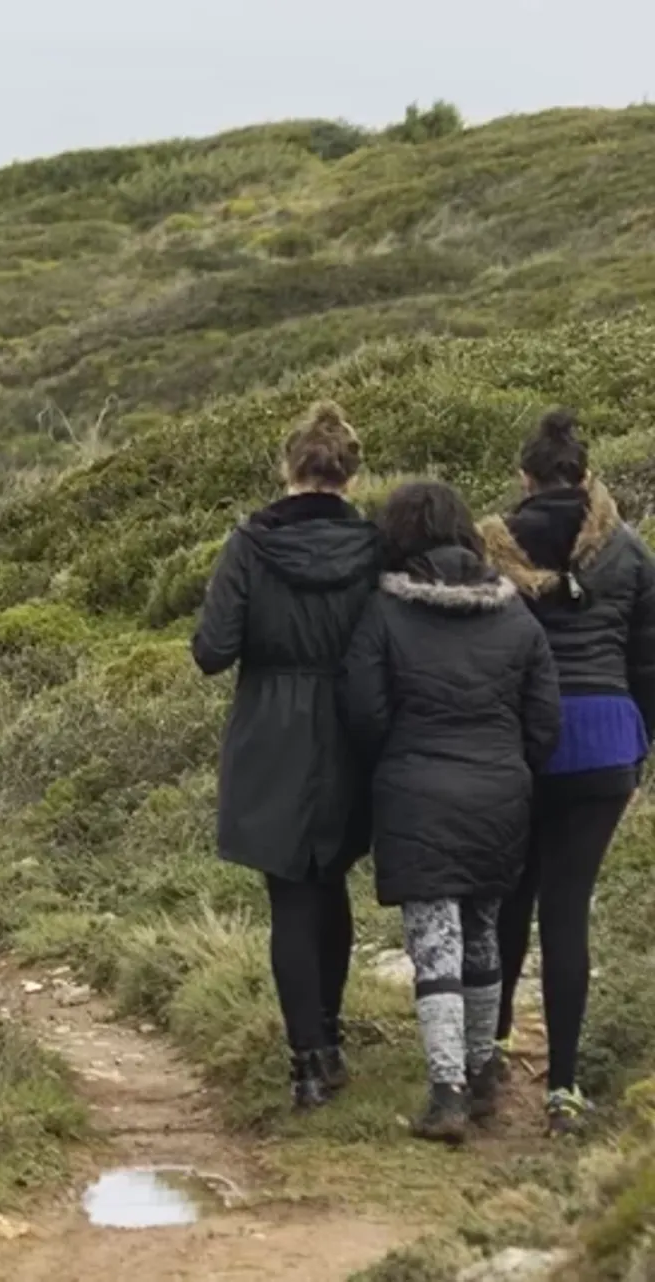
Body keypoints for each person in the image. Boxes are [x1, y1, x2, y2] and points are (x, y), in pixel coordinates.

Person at [343, 481, 560, 1145]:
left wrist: (398, 759)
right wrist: (509, 763)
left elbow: (363, 711)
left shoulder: (384, 613)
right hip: (500, 792)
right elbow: (544, 719)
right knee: (484, 931)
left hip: (417, 791)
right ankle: (485, 1069)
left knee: (434, 942)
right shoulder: (515, 613)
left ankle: (447, 1095)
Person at [191, 402, 382, 1111]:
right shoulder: (372, 545)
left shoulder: (249, 544)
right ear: (350, 475)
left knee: (290, 897)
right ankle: (329, 1043)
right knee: (330, 882)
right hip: (350, 726)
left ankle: (305, 1065)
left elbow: (213, 652)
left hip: (271, 729)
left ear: (289, 466)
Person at [480, 409, 655, 1136]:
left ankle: (488, 1050)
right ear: (587, 476)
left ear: (525, 478)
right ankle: (565, 1087)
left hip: (523, 742)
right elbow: (647, 662)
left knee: (512, 899)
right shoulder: (630, 551)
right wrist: (643, 745)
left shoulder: (494, 546)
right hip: (607, 740)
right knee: (568, 910)